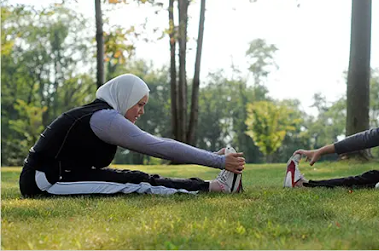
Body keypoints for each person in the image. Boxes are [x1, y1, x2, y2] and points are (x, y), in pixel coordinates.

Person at [19, 74, 245, 197]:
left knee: (133, 175)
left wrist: (212, 156)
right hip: (46, 182)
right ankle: (215, 187)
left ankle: (211, 185)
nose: (141, 111)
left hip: (62, 175)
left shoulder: (100, 114)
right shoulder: (105, 118)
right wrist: (218, 161)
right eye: (139, 104)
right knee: (137, 183)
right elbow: (159, 146)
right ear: (125, 98)